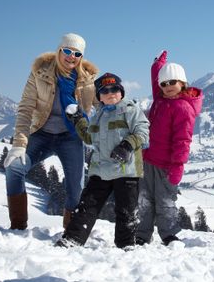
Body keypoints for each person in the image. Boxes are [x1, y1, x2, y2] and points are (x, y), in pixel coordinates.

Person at [4, 33, 98, 230]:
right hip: (41, 134)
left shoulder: (87, 80)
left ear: (82, 57)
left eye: (77, 53)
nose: (71, 56)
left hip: (71, 137)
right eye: (67, 51)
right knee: (14, 168)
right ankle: (18, 225)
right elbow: (25, 108)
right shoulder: (40, 73)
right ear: (59, 50)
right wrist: (19, 145)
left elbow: (106, 103)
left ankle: (71, 231)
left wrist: (128, 112)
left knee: (76, 188)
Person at [55, 73, 149, 249]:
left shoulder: (130, 110)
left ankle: (126, 244)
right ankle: (73, 238)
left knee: (126, 210)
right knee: (87, 205)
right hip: (100, 170)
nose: (110, 93)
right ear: (99, 97)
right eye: (104, 91)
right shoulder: (98, 116)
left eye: (114, 89)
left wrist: (127, 146)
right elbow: (89, 138)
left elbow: (142, 132)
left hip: (126, 170)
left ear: (121, 92)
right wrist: (78, 120)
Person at [136, 50, 203, 246]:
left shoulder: (183, 108)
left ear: (182, 83)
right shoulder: (161, 99)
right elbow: (156, 79)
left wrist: (178, 166)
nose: (167, 87)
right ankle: (142, 234)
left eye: (172, 82)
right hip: (147, 160)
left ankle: (169, 234)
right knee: (144, 200)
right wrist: (158, 64)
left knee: (165, 201)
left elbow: (183, 140)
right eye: (163, 84)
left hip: (166, 165)